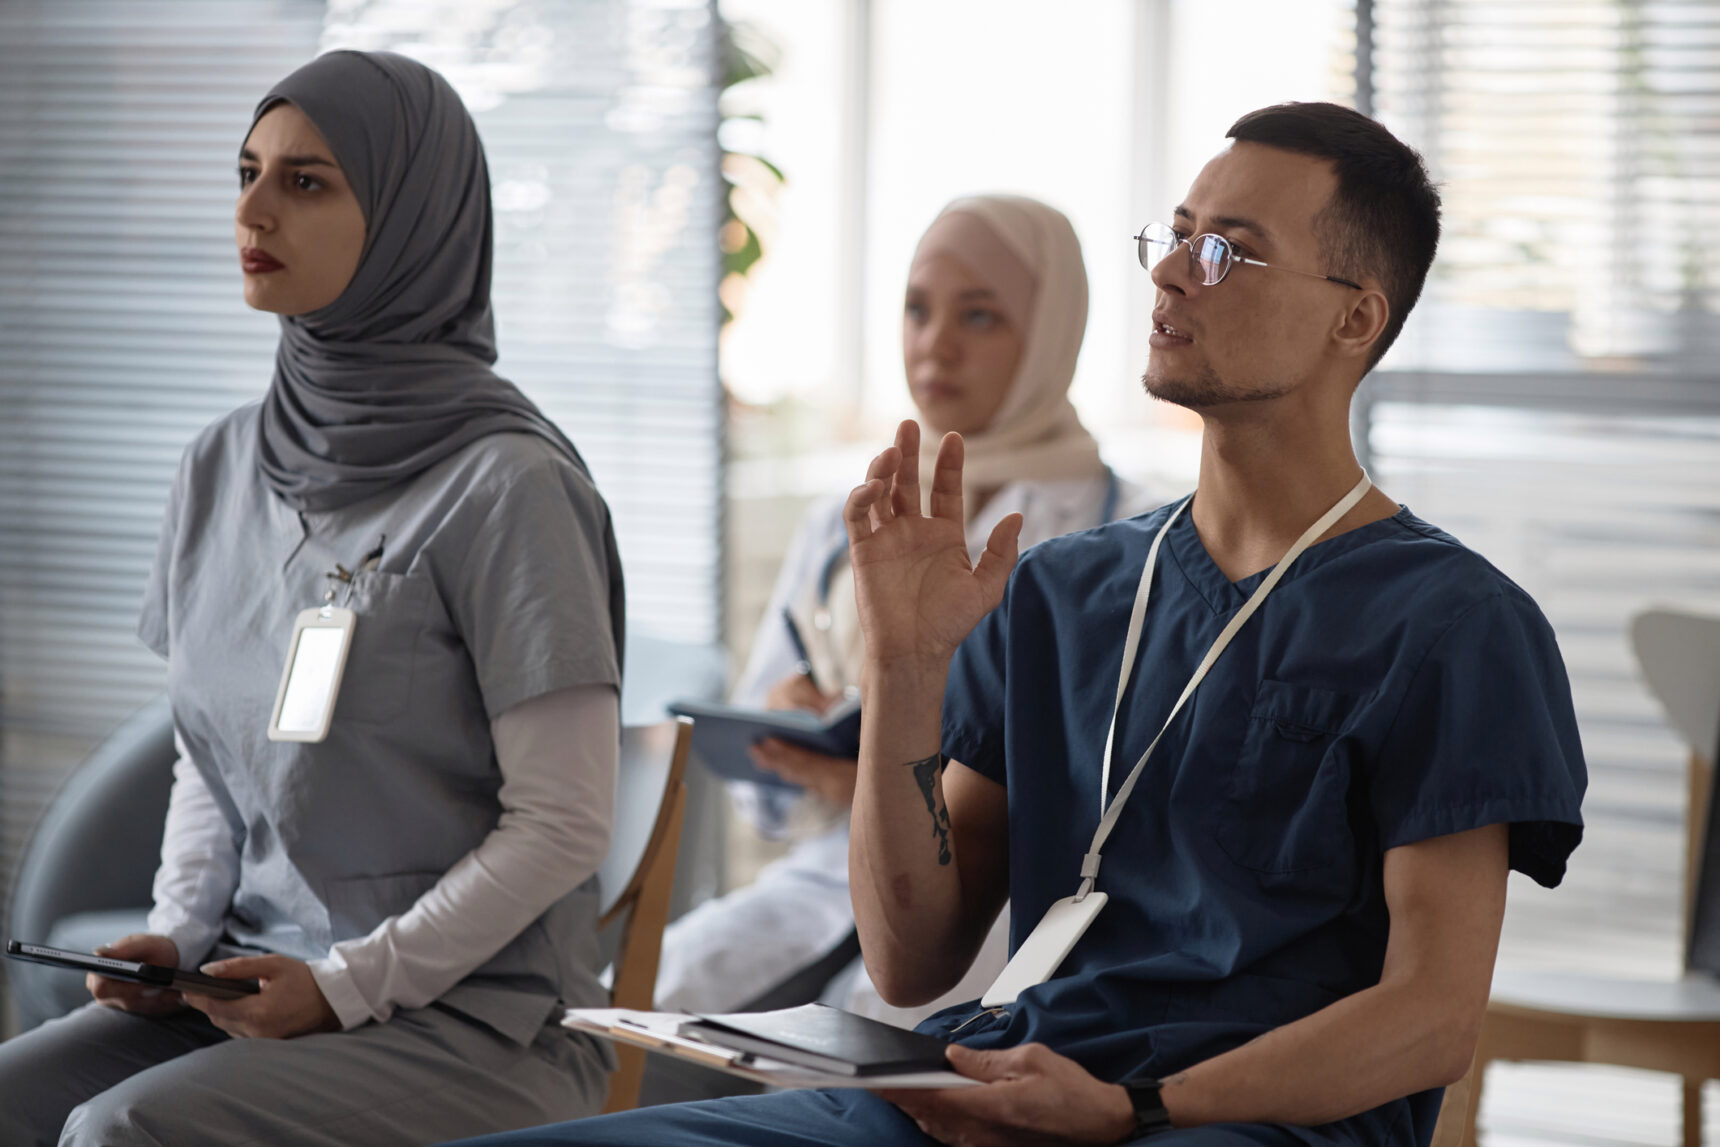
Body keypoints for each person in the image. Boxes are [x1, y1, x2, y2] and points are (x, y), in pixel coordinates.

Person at [447, 102, 1586, 1146]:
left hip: (1234, 1123)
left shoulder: (1453, 624)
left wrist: (1134, 1103)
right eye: (1176, 235)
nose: (1175, 276)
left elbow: (1431, 1020)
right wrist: (905, 664)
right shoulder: (1061, 591)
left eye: (1228, 250)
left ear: (1355, 317)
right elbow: (910, 955)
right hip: (997, 1089)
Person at [0, 50, 626, 1146]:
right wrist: (181, 933)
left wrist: (345, 985)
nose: (251, 208)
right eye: (246, 171)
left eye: (305, 182)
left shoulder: (511, 487)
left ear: (409, 219)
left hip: (475, 1024)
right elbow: (208, 746)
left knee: (123, 1132)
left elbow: (564, 824)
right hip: (253, 990)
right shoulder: (219, 464)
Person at [652, 195, 1159, 1034]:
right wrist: (787, 739)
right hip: (828, 873)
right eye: (917, 309)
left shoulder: (1123, 538)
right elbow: (761, 798)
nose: (936, 344)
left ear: (1052, 331)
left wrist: (883, 788)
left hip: (1005, 910)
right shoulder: (848, 518)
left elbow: (1109, 794)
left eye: (981, 315)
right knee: (648, 990)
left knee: (892, 1045)